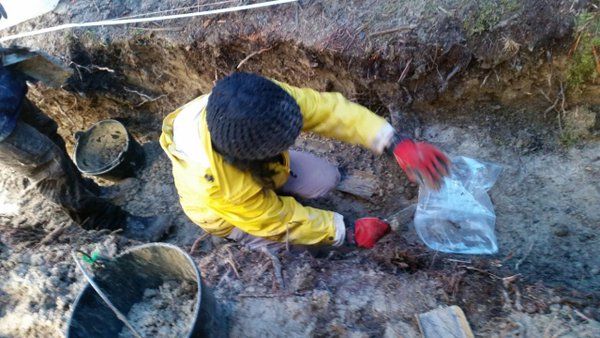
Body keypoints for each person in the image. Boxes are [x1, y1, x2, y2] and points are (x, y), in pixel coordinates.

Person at [160, 72, 449, 250]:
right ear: (251, 155)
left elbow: (326, 111)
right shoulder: (218, 187)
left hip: (266, 170)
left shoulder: (257, 99)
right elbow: (276, 220)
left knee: (327, 179)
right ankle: (253, 243)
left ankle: (283, 185)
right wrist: (345, 231)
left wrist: (392, 141)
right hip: (228, 216)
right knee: (298, 251)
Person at [0, 61, 170, 241]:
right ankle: (107, 222)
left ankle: (88, 191)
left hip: (5, 96)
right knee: (48, 163)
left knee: (48, 131)